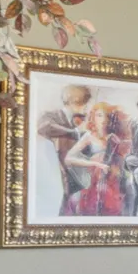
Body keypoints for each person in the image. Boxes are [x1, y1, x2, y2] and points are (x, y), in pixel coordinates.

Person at [62, 101, 133, 217]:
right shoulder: (89, 136)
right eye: (99, 115)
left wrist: (119, 144)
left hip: (115, 181)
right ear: (93, 117)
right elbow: (68, 159)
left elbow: (124, 158)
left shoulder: (116, 137)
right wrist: (95, 163)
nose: (104, 119)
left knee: (130, 192)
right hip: (95, 181)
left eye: (107, 116)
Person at [35, 82, 91, 215]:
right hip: (57, 170)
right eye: (84, 103)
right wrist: (74, 132)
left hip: (78, 172)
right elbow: (44, 127)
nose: (86, 107)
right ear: (74, 102)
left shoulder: (83, 119)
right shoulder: (52, 116)